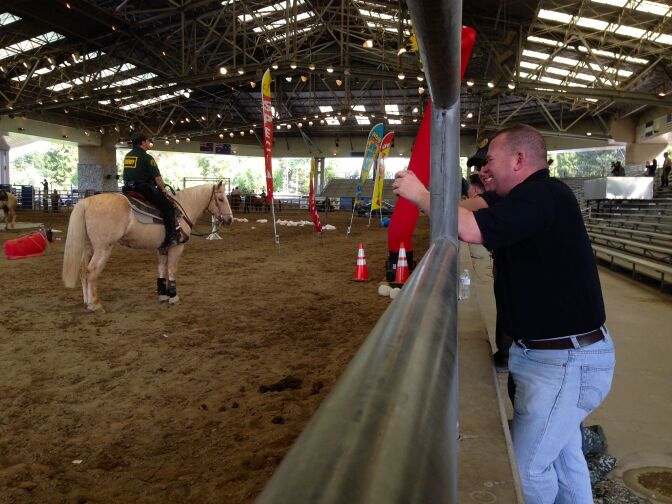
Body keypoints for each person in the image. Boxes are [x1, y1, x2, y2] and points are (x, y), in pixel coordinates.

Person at [393, 124, 615, 504]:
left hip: (563, 362)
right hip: (556, 356)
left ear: (519, 159)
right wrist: (434, 200)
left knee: (527, 470)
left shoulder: (543, 195)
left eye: (489, 160)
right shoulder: (523, 198)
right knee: (564, 459)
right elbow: (469, 209)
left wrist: (421, 195)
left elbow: (469, 228)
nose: (482, 170)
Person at [122, 132, 179, 246]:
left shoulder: (128, 156)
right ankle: (171, 237)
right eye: (148, 141)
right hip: (143, 188)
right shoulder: (147, 157)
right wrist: (163, 189)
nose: (149, 143)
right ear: (143, 142)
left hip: (127, 188)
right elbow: (157, 178)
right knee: (168, 207)